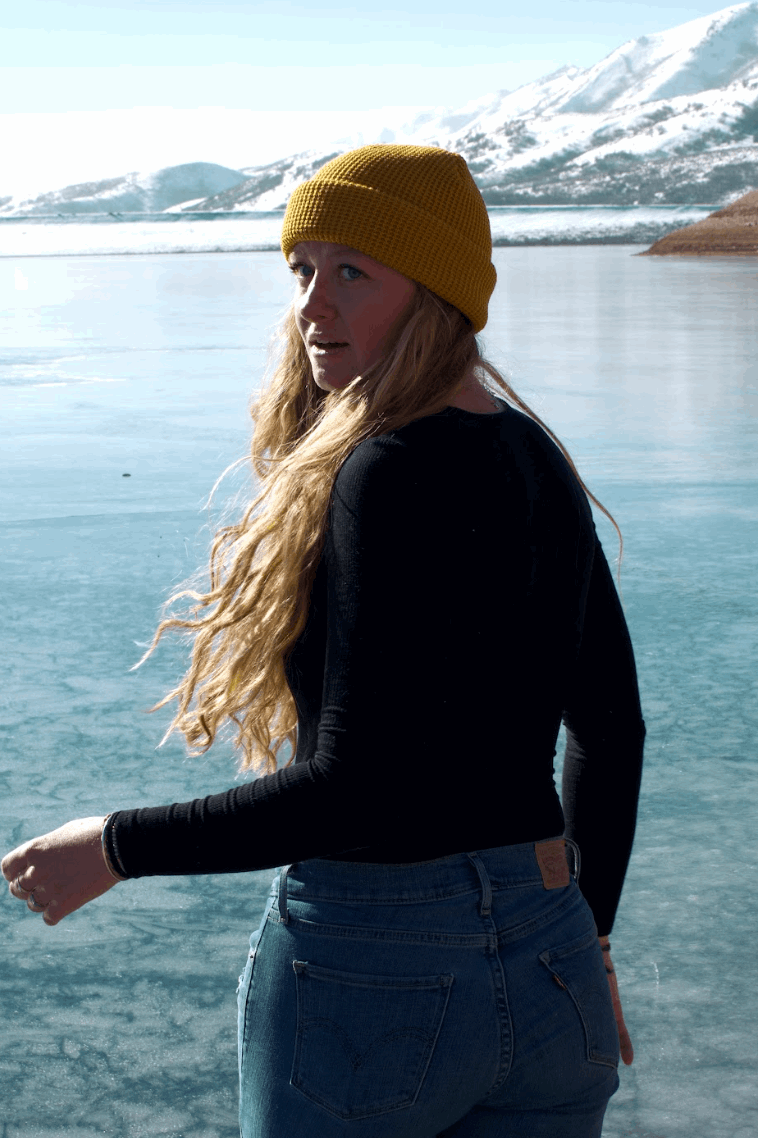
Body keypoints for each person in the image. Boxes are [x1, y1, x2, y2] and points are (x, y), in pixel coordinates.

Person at [2, 144, 645, 1137]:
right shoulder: (534, 456)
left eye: (353, 272)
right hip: (549, 968)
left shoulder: (381, 471)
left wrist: (116, 846)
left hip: (376, 969)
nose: (311, 305)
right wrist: (588, 945)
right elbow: (610, 724)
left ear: (433, 293)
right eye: (302, 268)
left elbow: (357, 786)